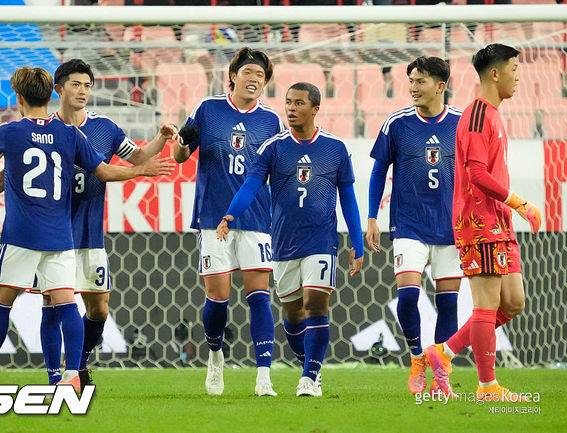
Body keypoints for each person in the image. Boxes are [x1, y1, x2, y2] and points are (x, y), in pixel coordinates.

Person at [0, 59, 177, 390]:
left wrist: (151, 152)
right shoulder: (68, 134)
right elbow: (103, 170)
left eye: (88, 85)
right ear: (55, 91)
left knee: (4, 302)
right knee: (62, 303)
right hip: (61, 234)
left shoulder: (12, 131)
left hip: (26, 234)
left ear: (19, 96)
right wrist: (139, 172)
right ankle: (65, 376)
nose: (83, 90)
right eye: (76, 84)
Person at [217, 82, 364, 397]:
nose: (291, 108)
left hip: (321, 240)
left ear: (315, 108)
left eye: (299, 103)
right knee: (293, 313)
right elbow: (250, 185)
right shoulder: (272, 148)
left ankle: (309, 377)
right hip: (283, 243)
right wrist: (231, 214)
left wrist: (357, 243)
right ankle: (308, 364)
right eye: (288, 102)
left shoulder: (335, 148)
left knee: (316, 302)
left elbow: (348, 199)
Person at [425, 44, 541, 402]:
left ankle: (443, 352)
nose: (518, 76)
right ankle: (488, 387)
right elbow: (476, 173)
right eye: (514, 69)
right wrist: (519, 202)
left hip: (498, 221)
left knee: (514, 301)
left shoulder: (493, 114)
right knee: (487, 306)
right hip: (479, 221)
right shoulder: (477, 115)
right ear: (495, 73)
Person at [173, 47, 284, 397]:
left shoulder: (272, 121)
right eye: (249, 73)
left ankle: (263, 374)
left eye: (261, 76)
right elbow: (181, 155)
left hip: (256, 219)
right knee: (218, 298)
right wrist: (175, 143)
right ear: (233, 76)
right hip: (212, 217)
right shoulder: (208, 109)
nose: (254, 80)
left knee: (259, 296)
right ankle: (216, 355)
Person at [365, 56, 463, 395]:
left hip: (452, 229)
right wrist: (373, 217)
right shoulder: (397, 123)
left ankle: (441, 373)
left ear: (440, 85)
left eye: (420, 81)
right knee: (407, 296)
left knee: (449, 303)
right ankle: (417, 357)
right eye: (410, 80)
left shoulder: (461, 123)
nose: (413, 87)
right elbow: (379, 171)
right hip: (409, 226)